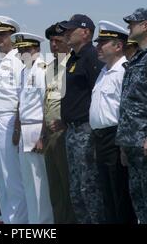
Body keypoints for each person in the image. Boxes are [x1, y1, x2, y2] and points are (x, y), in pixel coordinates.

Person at [115, 8, 147, 224]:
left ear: (146, 26)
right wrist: (125, 144)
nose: (128, 28)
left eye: (132, 23)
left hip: (146, 143)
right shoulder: (137, 59)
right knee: (139, 199)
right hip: (132, 141)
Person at [57, 14, 105, 224]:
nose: (66, 33)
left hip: (86, 131)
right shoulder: (73, 58)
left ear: (85, 32)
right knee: (76, 190)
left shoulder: (92, 56)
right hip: (72, 130)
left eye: (70, 30)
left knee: (90, 188)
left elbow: (98, 92)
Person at [89, 20, 137, 224]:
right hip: (100, 138)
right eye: (98, 43)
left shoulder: (124, 71)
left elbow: (127, 109)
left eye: (103, 43)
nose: (98, 47)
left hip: (116, 137)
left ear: (118, 46)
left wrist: (124, 144)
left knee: (120, 195)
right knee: (106, 195)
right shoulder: (103, 72)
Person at [0, 16, 28, 224]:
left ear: (13, 35)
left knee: (13, 178)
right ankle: (9, 220)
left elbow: (23, 95)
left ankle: (19, 223)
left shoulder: (19, 60)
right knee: (1, 178)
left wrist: (18, 127)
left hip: (9, 120)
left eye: (3, 34)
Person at [11, 32, 54, 224]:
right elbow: (21, 104)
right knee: (28, 184)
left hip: (37, 129)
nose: (21, 54)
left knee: (41, 185)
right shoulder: (23, 71)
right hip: (25, 131)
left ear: (35, 49)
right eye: (19, 50)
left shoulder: (43, 69)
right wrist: (17, 130)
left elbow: (47, 103)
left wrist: (43, 136)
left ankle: (43, 224)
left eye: (25, 50)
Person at [43, 23, 76, 224]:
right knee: (54, 188)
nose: (54, 45)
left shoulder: (74, 65)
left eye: (58, 41)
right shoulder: (49, 68)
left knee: (69, 187)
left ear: (68, 41)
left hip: (66, 133)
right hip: (49, 135)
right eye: (51, 42)